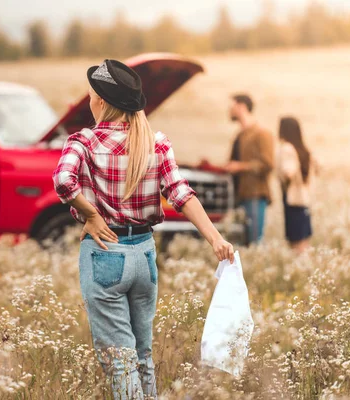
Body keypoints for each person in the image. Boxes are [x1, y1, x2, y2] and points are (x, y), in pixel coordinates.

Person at [52, 59, 234, 400]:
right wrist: (216, 238)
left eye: (92, 95)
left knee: (119, 362)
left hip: (105, 255)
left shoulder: (84, 142)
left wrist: (90, 215)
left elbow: (63, 182)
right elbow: (181, 193)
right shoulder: (156, 142)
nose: (89, 100)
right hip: (145, 257)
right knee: (143, 355)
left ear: (103, 102)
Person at [224, 94, 275, 245]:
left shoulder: (262, 133)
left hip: (255, 194)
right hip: (239, 194)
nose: (230, 111)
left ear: (242, 107)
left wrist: (240, 166)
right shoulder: (240, 135)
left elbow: (268, 164)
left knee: (255, 242)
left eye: (232, 106)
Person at [277, 116, 315, 253]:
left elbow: (289, 170)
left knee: (295, 240)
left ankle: (302, 268)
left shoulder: (286, 148)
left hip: (292, 199)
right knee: (304, 238)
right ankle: (306, 267)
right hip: (304, 198)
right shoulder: (302, 148)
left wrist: (286, 173)